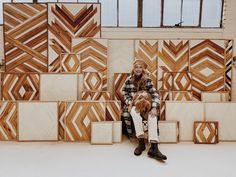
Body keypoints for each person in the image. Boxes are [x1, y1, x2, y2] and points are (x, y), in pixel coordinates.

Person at [122, 59, 167, 161]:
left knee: (152, 115)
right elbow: (124, 93)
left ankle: (154, 147)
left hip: (146, 104)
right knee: (134, 112)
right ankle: (141, 142)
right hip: (134, 104)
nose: (138, 69)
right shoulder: (128, 80)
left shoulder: (147, 80)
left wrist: (154, 107)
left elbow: (155, 94)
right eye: (136, 67)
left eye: (140, 67)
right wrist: (130, 102)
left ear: (143, 69)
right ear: (133, 69)